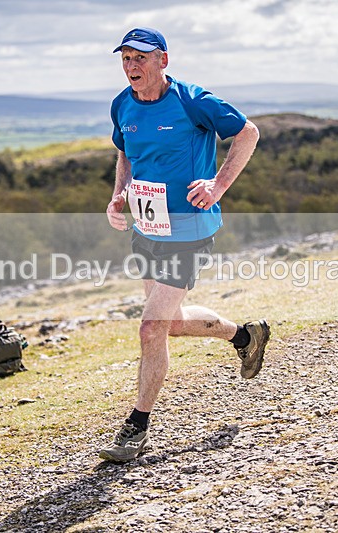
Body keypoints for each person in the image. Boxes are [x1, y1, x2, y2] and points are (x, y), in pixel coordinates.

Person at [100, 27, 269, 463]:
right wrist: (118, 196)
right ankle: (245, 336)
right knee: (170, 323)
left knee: (150, 327)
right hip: (147, 228)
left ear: (163, 60)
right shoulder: (122, 104)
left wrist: (217, 185)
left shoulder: (193, 101)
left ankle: (136, 427)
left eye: (140, 57)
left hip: (190, 231)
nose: (131, 65)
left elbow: (247, 133)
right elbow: (126, 155)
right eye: (125, 58)